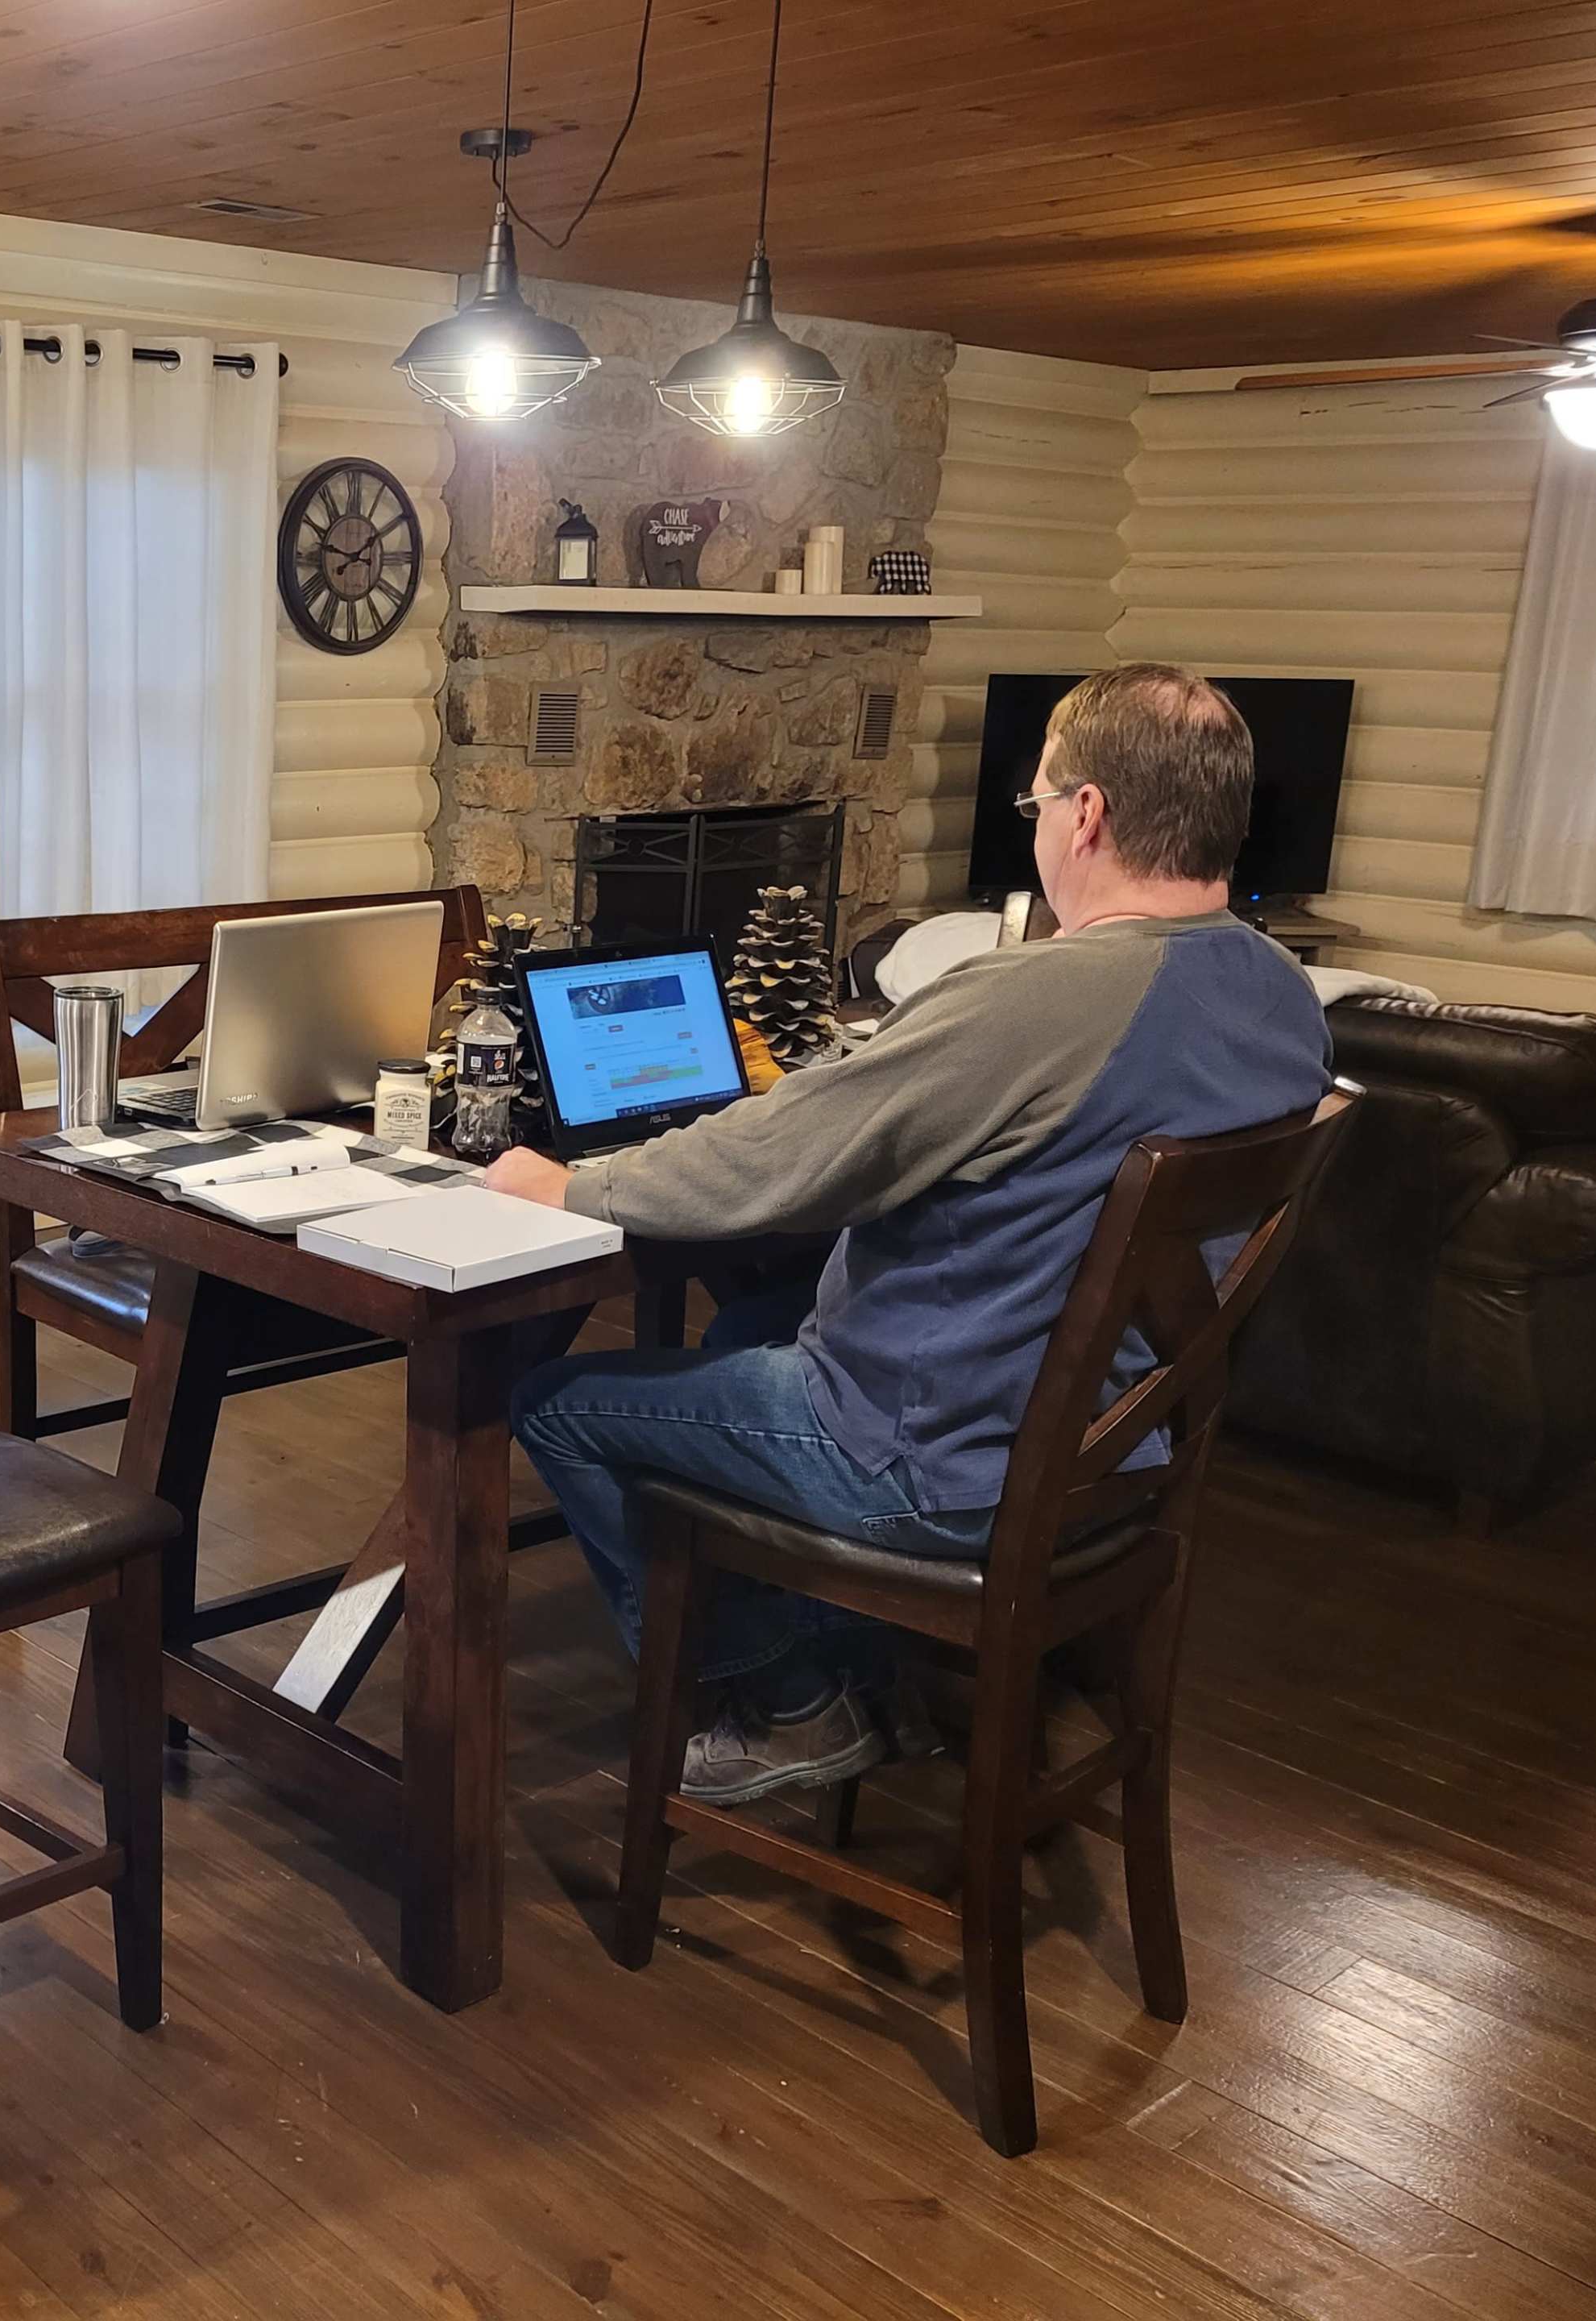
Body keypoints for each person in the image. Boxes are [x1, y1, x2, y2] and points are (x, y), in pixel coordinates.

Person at [486, 663, 1331, 1804]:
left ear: (1089, 814)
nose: (1034, 826)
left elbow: (778, 1158)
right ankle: (858, 1663)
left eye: (1035, 803)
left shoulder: (1038, 997)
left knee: (559, 1407)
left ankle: (785, 1704)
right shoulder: (1283, 997)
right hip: (1110, 1444)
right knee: (748, 1314)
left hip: (934, 1455)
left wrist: (563, 1189)